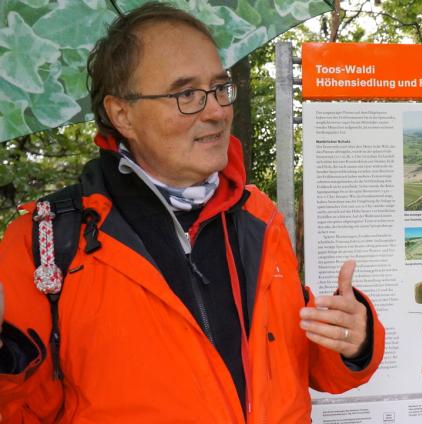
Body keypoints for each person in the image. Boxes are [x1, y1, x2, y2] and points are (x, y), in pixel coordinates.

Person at [0, 2, 384, 422]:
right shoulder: (47, 242)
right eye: (186, 94)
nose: (217, 111)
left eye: (220, 88)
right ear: (122, 113)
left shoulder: (257, 216)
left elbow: (292, 361)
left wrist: (354, 339)